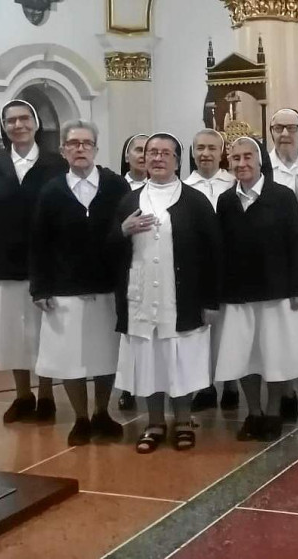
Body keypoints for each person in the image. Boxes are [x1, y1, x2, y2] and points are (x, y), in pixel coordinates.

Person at [114, 133, 221, 453]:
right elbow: (109, 249)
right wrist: (122, 231)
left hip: (182, 297)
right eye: (152, 152)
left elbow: (213, 252)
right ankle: (154, 422)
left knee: (180, 360)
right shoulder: (129, 200)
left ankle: (184, 421)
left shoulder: (194, 201)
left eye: (165, 153)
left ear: (177, 160)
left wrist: (210, 300)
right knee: (149, 360)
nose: (157, 158)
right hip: (141, 296)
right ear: (143, 158)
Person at [0, 99, 68, 424]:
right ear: (4, 126)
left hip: (46, 264)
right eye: (11, 121)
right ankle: (23, 396)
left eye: (24, 119)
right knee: (12, 335)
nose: (18, 125)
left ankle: (47, 396)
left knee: (44, 333)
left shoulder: (56, 164)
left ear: (35, 124)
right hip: (2, 263)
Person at [30, 120, 128, 446]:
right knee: (69, 359)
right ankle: (81, 418)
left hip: (107, 287)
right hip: (64, 289)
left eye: (87, 143)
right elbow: (39, 243)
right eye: (73, 144)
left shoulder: (115, 186)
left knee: (105, 357)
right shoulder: (51, 191)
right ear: (63, 151)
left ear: (96, 149)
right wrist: (40, 287)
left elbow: (126, 236)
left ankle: (101, 412)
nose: (80, 149)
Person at [215, 137, 298, 441]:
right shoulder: (225, 201)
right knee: (244, 357)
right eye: (236, 158)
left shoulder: (282, 196)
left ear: (260, 161)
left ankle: (273, 412)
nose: (242, 163)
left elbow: (297, 243)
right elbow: (221, 249)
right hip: (238, 294)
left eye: (248, 157)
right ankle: (253, 413)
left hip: (277, 291)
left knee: (275, 357)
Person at [183, 128, 241, 412]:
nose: (205, 154)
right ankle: (204, 385)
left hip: (229, 266)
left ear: (222, 153)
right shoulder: (183, 186)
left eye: (211, 148)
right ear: (193, 153)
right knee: (200, 329)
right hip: (196, 267)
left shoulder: (233, 183)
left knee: (228, 329)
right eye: (200, 148)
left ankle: (231, 384)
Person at [268, 107, 298, 420]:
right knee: (283, 326)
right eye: (278, 128)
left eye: (291, 128)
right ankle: (287, 390)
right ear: (270, 131)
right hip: (279, 257)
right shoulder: (262, 165)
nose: (285, 134)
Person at [117, 133, 150, 412]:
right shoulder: (116, 188)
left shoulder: (165, 186)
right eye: (137, 150)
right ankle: (127, 386)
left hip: (155, 266)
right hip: (125, 266)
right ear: (127, 156)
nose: (143, 155)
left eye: (147, 150)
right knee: (128, 331)